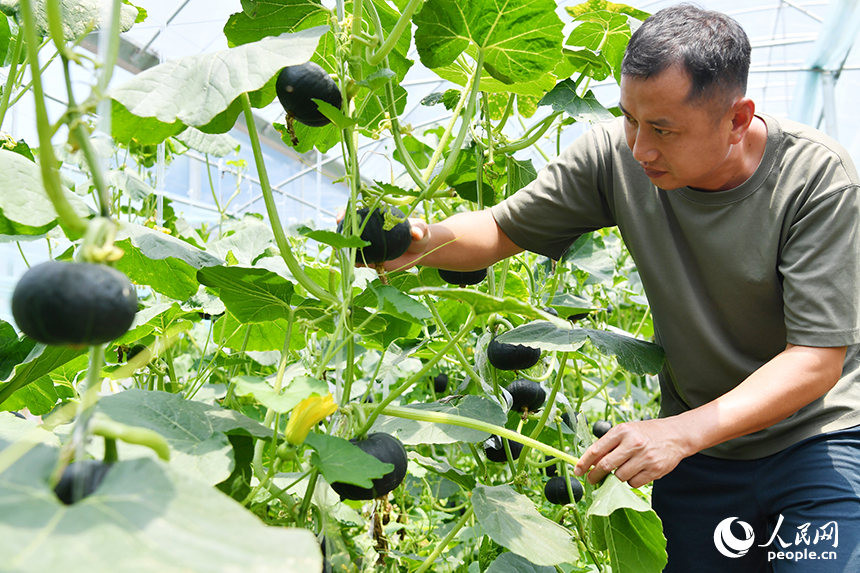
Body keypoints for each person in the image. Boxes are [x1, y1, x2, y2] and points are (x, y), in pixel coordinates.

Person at [356, 4, 860, 571]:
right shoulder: (614, 157)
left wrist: (676, 435)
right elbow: (499, 229)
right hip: (702, 456)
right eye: (629, 119)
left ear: (738, 119)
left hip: (816, 441)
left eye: (664, 130)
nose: (641, 147)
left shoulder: (816, 179)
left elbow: (816, 359)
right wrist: (418, 243)